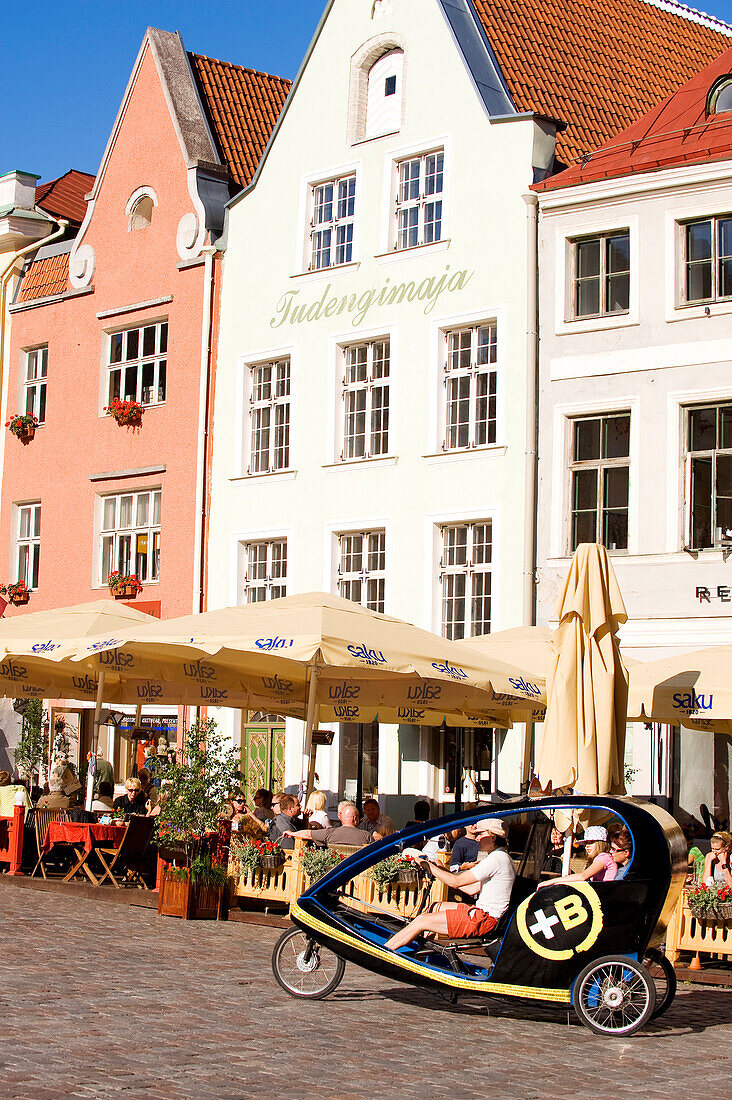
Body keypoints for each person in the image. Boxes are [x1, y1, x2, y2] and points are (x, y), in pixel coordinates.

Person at [384, 819, 515, 950]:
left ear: (492, 837)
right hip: (484, 915)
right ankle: (421, 953)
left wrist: (428, 866)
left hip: (484, 920)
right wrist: (442, 870)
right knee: (434, 907)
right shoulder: (502, 857)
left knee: (421, 920)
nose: (477, 839)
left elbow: (455, 882)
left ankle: (385, 951)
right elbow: (472, 889)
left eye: (480, 834)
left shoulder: (495, 860)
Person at [538, 824, 616, 888]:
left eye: (591, 842)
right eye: (586, 843)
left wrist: (549, 882)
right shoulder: (599, 858)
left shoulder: (604, 857)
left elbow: (583, 876)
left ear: (600, 843)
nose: (586, 846)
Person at [284, 800, 374, 848]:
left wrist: (292, 833)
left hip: (334, 874)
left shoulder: (330, 833)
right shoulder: (366, 836)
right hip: (357, 876)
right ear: (355, 818)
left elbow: (308, 834)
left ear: (341, 817)